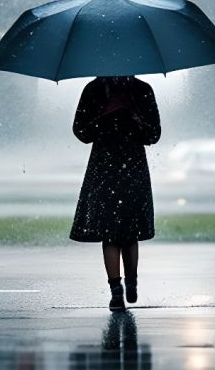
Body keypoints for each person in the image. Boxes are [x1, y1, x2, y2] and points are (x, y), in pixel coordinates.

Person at [69, 75, 161, 311]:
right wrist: (103, 116)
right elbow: (81, 131)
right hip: (105, 168)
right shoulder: (94, 90)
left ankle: (131, 281)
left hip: (131, 168)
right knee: (110, 232)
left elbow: (153, 135)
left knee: (129, 232)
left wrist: (133, 116)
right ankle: (116, 290)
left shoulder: (142, 90)